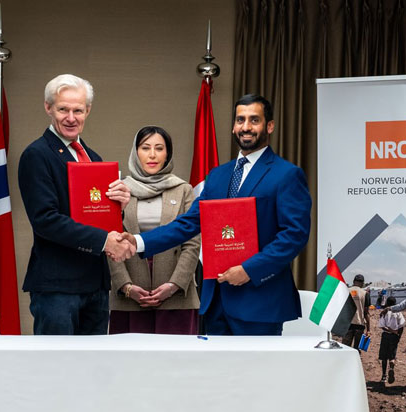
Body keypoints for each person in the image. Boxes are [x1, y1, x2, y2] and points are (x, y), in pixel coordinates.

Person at [120, 94, 311, 335]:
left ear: (269, 126)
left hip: (260, 302)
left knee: (256, 363)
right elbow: (189, 222)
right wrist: (138, 241)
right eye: (240, 120)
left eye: (254, 120)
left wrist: (249, 270)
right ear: (233, 126)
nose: (246, 127)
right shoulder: (218, 175)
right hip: (215, 302)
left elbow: (294, 235)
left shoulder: (287, 174)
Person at [17, 74, 132, 335]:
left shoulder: (94, 158)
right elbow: (45, 220)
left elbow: (96, 217)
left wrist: (118, 209)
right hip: (57, 287)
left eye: (78, 110)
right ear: (48, 107)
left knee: (93, 361)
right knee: (58, 361)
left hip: (95, 283)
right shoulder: (36, 155)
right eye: (63, 109)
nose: (71, 118)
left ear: (87, 110)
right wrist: (104, 241)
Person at [108, 126, 200, 334]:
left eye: (159, 148)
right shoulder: (119, 190)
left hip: (176, 297)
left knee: (175, 355)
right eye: (145, 147)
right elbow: (111, 241)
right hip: (129, 298)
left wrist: (174, 285)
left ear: (168, 154)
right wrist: (126, 287)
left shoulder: (183, 189)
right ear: (135, 152)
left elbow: (192, 243)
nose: (152, 155)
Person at [377, 296, 405, 384]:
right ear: (395, 303)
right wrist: (398, 335)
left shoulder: (384, 312)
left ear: (387, 303)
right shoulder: (398, 313)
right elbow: (402, 325)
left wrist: (389, 330)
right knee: (392, 355)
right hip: (394, 336)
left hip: (385, 336)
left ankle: (384, 376)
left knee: (384, 357)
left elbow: (382, 326)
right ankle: (391, 366)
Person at [343, 274, 371, 350]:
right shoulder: (365, 294)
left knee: (345, 347)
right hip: (359, 324)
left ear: (353, 281)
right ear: (362, 283)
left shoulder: (346, 291)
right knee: (357, 349)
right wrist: (368, 329)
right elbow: (366, 313)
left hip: (347, 324)